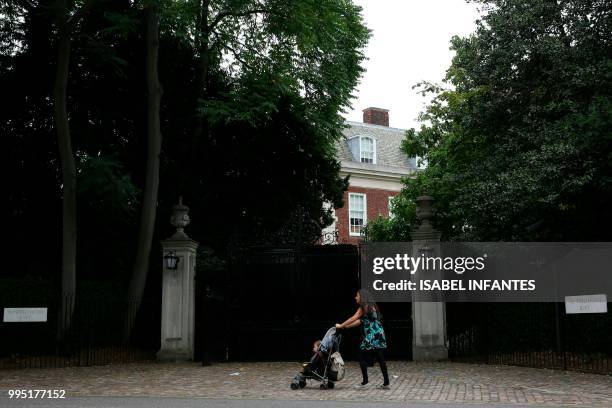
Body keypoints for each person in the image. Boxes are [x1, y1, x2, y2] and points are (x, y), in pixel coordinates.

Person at [336, 289, 390, 389]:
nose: (355, 297)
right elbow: (359, 321)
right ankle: (386, 382)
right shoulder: (370, 306)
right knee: (380, 357)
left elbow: (354, 318)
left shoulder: (364, 306)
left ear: (362, 296)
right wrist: (345, 327)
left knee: (361, 354)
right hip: (379, 334)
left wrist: (341, 325)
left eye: (357, 296)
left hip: (372, 335)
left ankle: (365, 382)